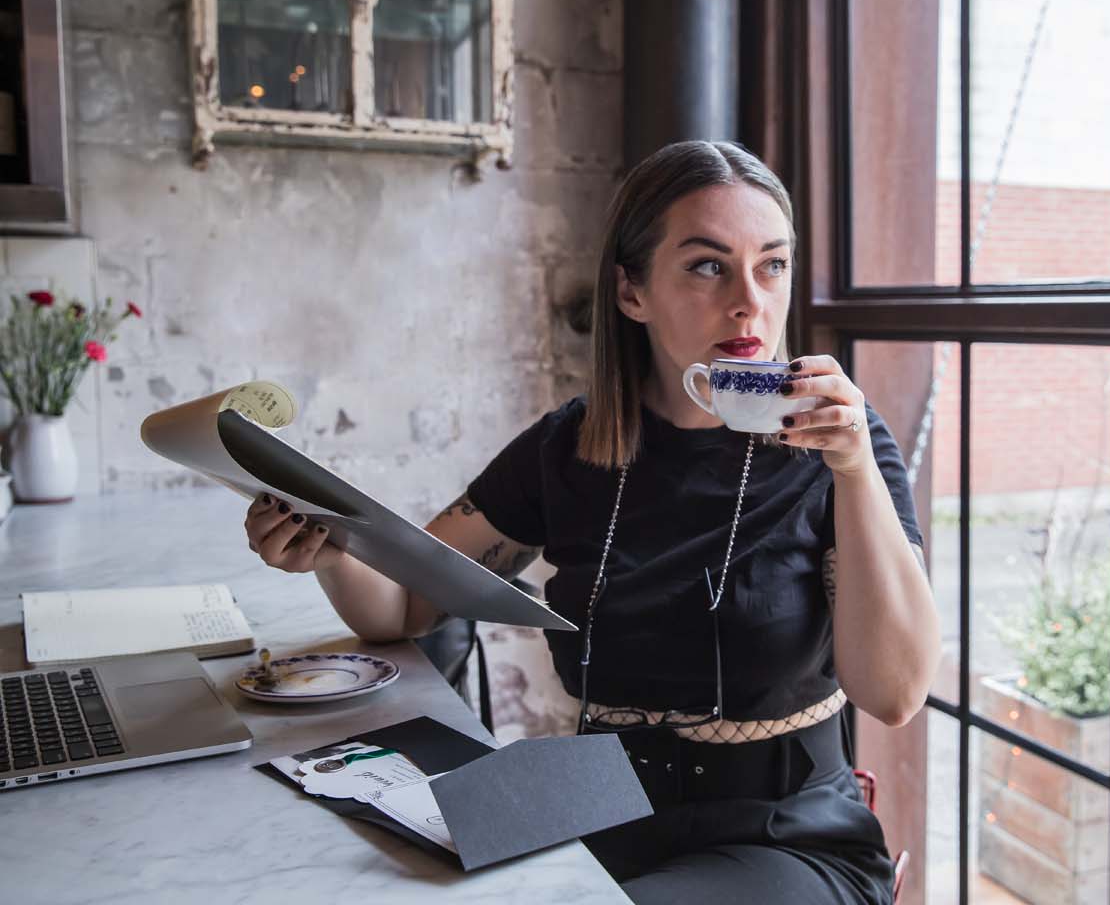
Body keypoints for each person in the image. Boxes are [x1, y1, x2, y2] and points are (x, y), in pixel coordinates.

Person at [243, 140, 942, 904]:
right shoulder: (568, 448)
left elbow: (896, 692)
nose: (749, 300)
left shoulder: (837, 442)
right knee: (356, 879)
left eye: (772, 264)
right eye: (708, 265)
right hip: (598, 798)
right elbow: (407, 605)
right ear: (632, 292)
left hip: (783, 832)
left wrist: (853, 470)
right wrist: (330, 551)